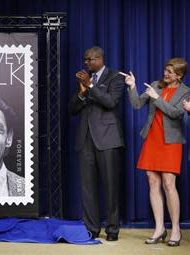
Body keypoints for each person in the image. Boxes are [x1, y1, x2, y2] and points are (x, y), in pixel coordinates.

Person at [124, 58, 189, 247]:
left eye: (170, 72)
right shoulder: (155, 85)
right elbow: (137, 104)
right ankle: (160, 228)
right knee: (153, 182)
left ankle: (176, 229)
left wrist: (156, 98)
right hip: (152, 139)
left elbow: (176, 113)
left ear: (179, 75)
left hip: (171, 142)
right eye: (165, 70)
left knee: (169, 184)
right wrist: (132, 86)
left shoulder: (186, 91)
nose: (165, 74)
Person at [68, 46, 125, 241]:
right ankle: (92, 228)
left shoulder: (115, 77)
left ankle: (112, 229)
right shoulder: (85, 80)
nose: (86, 63)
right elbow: (73, 109)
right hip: (86, 139)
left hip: (108, 138)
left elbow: (110, 102)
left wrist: (91, 86)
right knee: (88, 187)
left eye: (89, 60)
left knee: (110, 186)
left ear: (99, 58)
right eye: (85, 60)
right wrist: (82, 93)